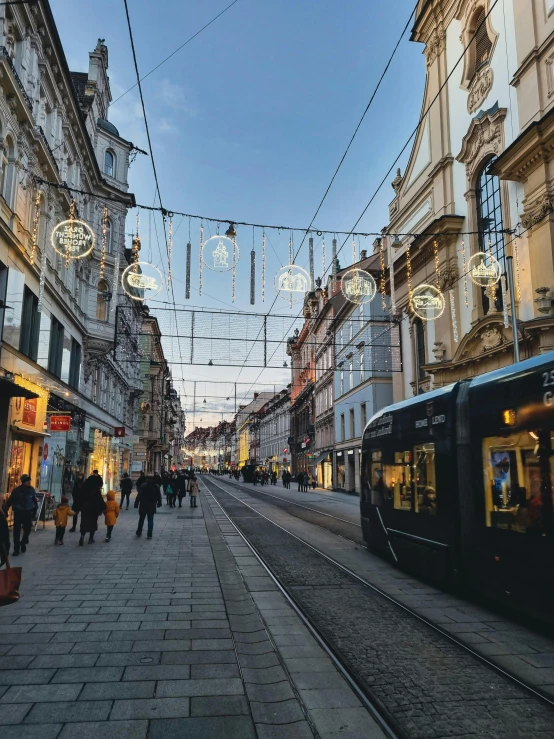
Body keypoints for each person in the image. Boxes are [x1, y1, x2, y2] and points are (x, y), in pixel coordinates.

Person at [3, 474, 37, 556]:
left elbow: (34, 501)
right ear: (24, 481)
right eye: (28, 480)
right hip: (18, 512)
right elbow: (10, 501)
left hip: (28, 512)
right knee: (16, 532)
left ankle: (23, 542)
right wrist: (6, 510)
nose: (29, 482)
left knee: (27, 529)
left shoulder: (31, 490)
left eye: (29, 480)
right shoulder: (16, 490)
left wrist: (35, 510)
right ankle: (16, 549)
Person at [78, 474, 106, 546]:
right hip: (94, 509)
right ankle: (91, 538)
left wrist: (78, 506)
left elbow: (79, 497)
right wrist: (103, 508)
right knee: (93, 523)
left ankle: (82, 536)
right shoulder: (96, 488)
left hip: (85, 508)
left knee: (84, 523)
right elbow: (99, 499)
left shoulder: (84, 487)